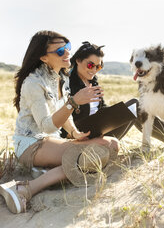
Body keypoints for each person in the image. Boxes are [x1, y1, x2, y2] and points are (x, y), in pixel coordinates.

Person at [0, 31, 119, 214]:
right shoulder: (33, 83)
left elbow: (64, 115)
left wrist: (74, 133)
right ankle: (24, 189)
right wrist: (74, 102)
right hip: (31, 144)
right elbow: (46, 125)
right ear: (43, 57)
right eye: (60, 51)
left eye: (68, 48)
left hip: (51, 141)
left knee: (111, 144)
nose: (67, 54)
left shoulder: (61, 78)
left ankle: (46, 174)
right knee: (96, 152)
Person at [62, 41, 164, 143]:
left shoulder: (92, 81)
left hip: (100, 131)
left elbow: (101, 109)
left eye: (99, 66)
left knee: (135, 107)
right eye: (91, 65)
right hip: (80, 135)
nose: (95, 69)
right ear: (78, 60)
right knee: (136, 105)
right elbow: (63, 114)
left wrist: (119, 112)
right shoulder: (67, 82)